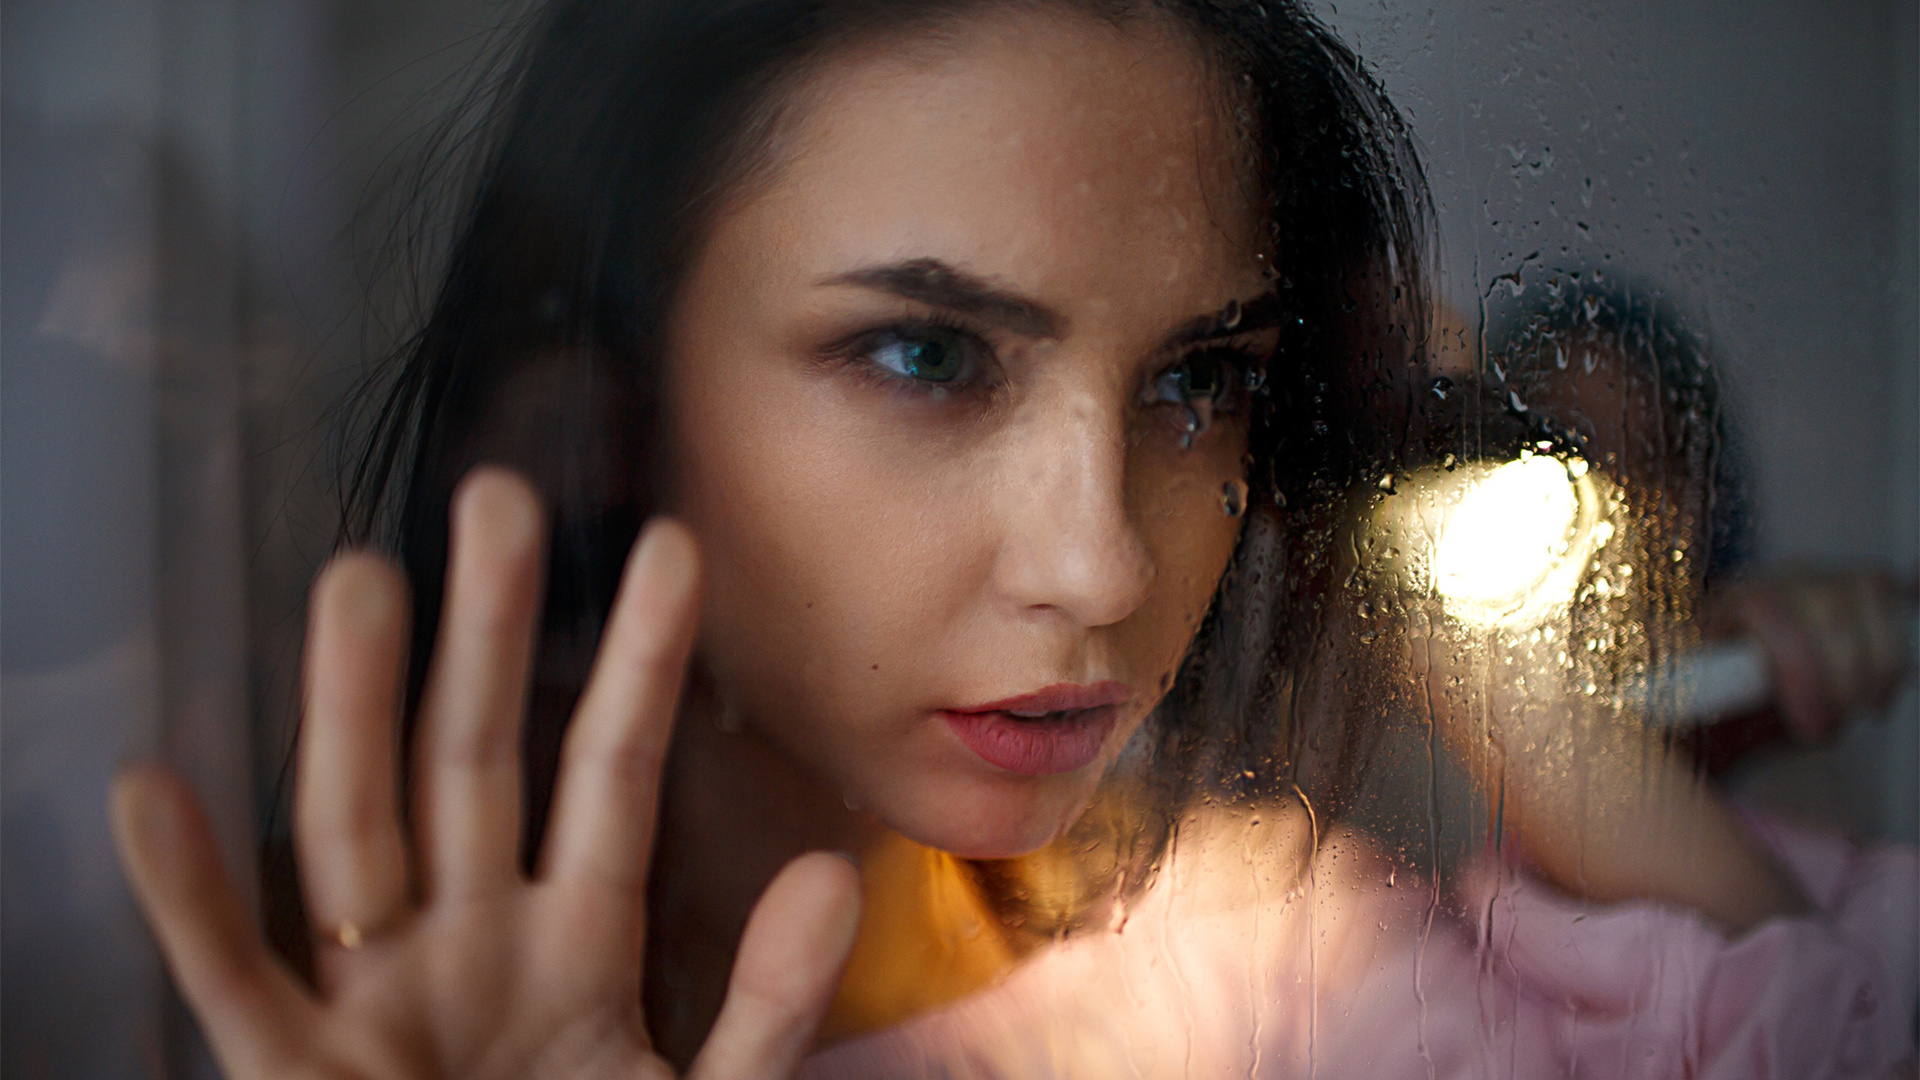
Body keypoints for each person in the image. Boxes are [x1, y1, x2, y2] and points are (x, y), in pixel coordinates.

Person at [105, 2, 1917, 1077]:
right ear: (604, 397)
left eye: (1199, 377)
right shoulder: (217, 983)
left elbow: (1818, 1033)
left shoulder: (1245, 965)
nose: (1107, 569)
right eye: (926, 354)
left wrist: (1409, 541)